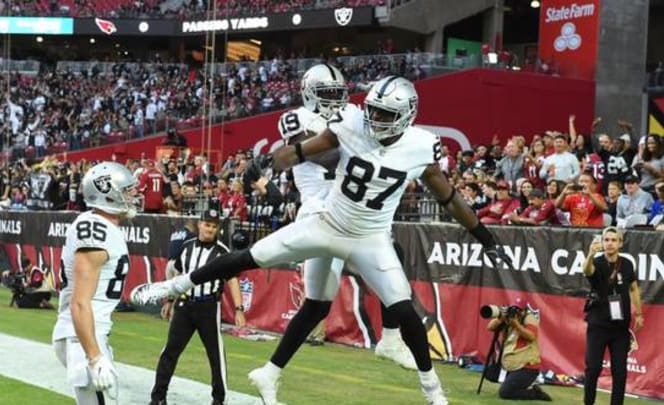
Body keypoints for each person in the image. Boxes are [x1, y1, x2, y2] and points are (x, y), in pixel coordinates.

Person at [132, 76, 511, 405]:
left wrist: (484, 236)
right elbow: (302, 151)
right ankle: (172, 285)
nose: (374, 119)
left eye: (384, 114)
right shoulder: (350, 121)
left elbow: (448, 198)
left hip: (370, 239)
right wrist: (269, 162)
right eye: (373, 111)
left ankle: (432, 391)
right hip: (326, 222)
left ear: (407, 115)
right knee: (250, 257)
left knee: (406, 311)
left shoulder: (420, 146)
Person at [267, 63, 416, 367]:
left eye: (338, 93)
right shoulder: (296, 117)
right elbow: (321, 155)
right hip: (318, 210)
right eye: (327, 93)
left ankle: (390, 337)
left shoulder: (351, 115)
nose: (335, 99)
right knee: (317, 306)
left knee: (393, 256)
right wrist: (362, 155)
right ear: (309, 93)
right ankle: (272, 368)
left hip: (350, 208)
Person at [52, 161, 139, 404]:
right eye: (127, 190)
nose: (133, 195)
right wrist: (94, 356)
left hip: (83, 334)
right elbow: (80, 302)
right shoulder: (95, 228)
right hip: (82, 336)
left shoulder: (100, 225)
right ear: (108, 193)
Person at [149, 210, 245, 405]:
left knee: (215, 355)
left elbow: (233, 280)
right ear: (199, 224)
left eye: (214, 226)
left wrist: (239, 308)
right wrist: (169, 300)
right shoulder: (186, 247)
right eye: (207, 224)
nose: (210, 229)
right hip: (185, 305)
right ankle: (158, 398)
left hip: (208, 307)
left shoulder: (222, 251)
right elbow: (177, 276)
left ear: (217, 228)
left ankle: (219, 400)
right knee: (170, 351)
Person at [582, 227, 644, 405]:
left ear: (620, 243)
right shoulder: (597, 262)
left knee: (620, 372)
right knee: (592, 369)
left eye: (613, 240)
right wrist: (589, 255)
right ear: (602, 242)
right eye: (606, 240)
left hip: (620, 327)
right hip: (598, 325)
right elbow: (587, 271)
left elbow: (633, 288)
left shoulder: (627, 264)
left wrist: (639, 313)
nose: (609, 243)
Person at [486, 302, 551, 401]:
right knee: (489, 373)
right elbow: (490, 327)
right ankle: (517, 385)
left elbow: (531, 336)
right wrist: (501, 318)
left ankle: (535, 393)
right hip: (512, 365)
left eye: (518, 310)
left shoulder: (530, 318)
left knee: (505, 393)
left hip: (527, 367)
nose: (515, 313)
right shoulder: (508, 318)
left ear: (524, 311)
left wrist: (516, 325)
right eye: (513, 309)